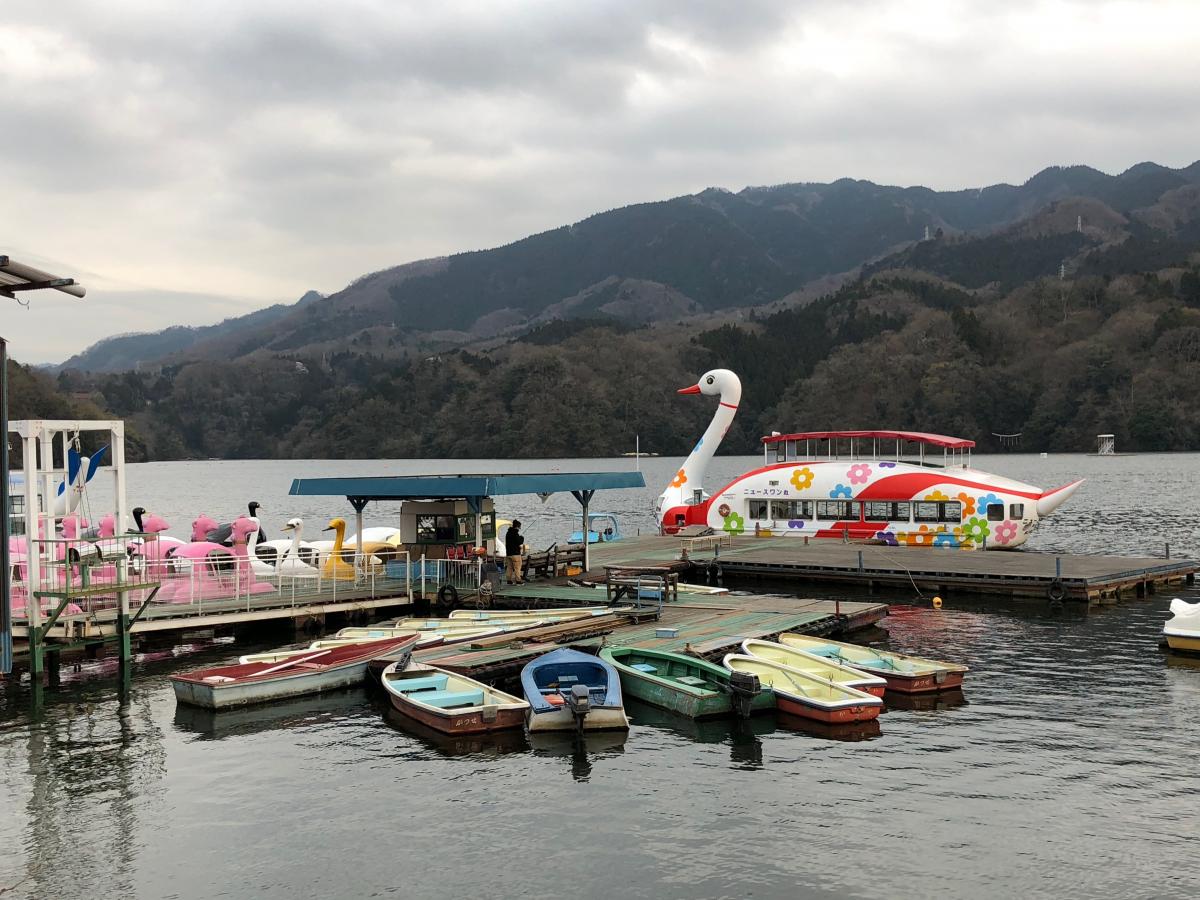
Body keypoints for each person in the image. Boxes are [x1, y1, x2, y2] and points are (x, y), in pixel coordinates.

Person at [504, 520, 525, 584]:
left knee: (509, 567)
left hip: (508, 553)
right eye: (519, 527)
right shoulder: (515, 533)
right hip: (515, 554)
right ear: (517, 527)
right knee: (517, 567)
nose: (519, 528)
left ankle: (509, 580)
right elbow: (519, 542)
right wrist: (522, 538)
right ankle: (518, 580)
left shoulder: (508, 533)